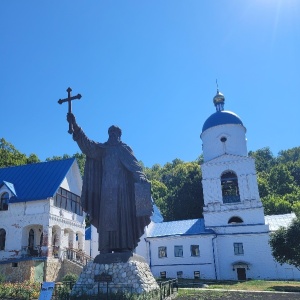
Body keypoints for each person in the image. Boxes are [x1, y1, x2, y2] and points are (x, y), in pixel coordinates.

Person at [67, 113, 152, 254]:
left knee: (122, 217)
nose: (112, 135)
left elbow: (135, 167)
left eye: (115, 132)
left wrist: (141, 177)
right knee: (106, 219)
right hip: (106, 190)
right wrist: (75, 126)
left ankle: (125, 246)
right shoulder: (103, 149)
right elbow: (88, 146)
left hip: (122, 191)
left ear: (119, 135)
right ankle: (106, 247)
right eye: (110, 132)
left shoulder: (124, 149)